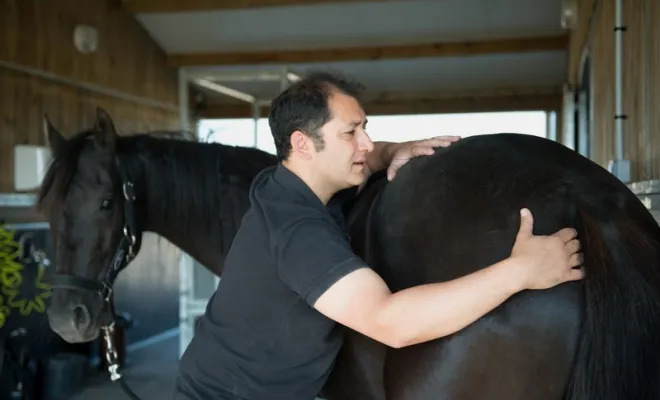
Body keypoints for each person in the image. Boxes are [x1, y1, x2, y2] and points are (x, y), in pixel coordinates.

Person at [173, 72, 584, 400]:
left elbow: (364, 158)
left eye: (366, 128)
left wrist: (392, 151)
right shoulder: (297, 233)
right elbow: (391, 323)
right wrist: (521, 272)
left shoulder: (284, 181)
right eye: (351, 133)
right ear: (302, 143)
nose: (366, 143)